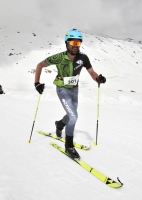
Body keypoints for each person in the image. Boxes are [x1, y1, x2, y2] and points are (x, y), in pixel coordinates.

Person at [34, 29, 106, 159]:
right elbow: (40, 65)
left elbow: (91, 72)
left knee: (71, 114)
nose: (75, 45)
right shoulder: (59, 57)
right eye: (72, 42)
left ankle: (60, 124)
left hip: (74, 90)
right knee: (73, 117)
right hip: (62, 89)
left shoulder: (83, 58)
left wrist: (97, 78)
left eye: (78, 43)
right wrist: (37, 83)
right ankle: (69, 146)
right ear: (66, 43)